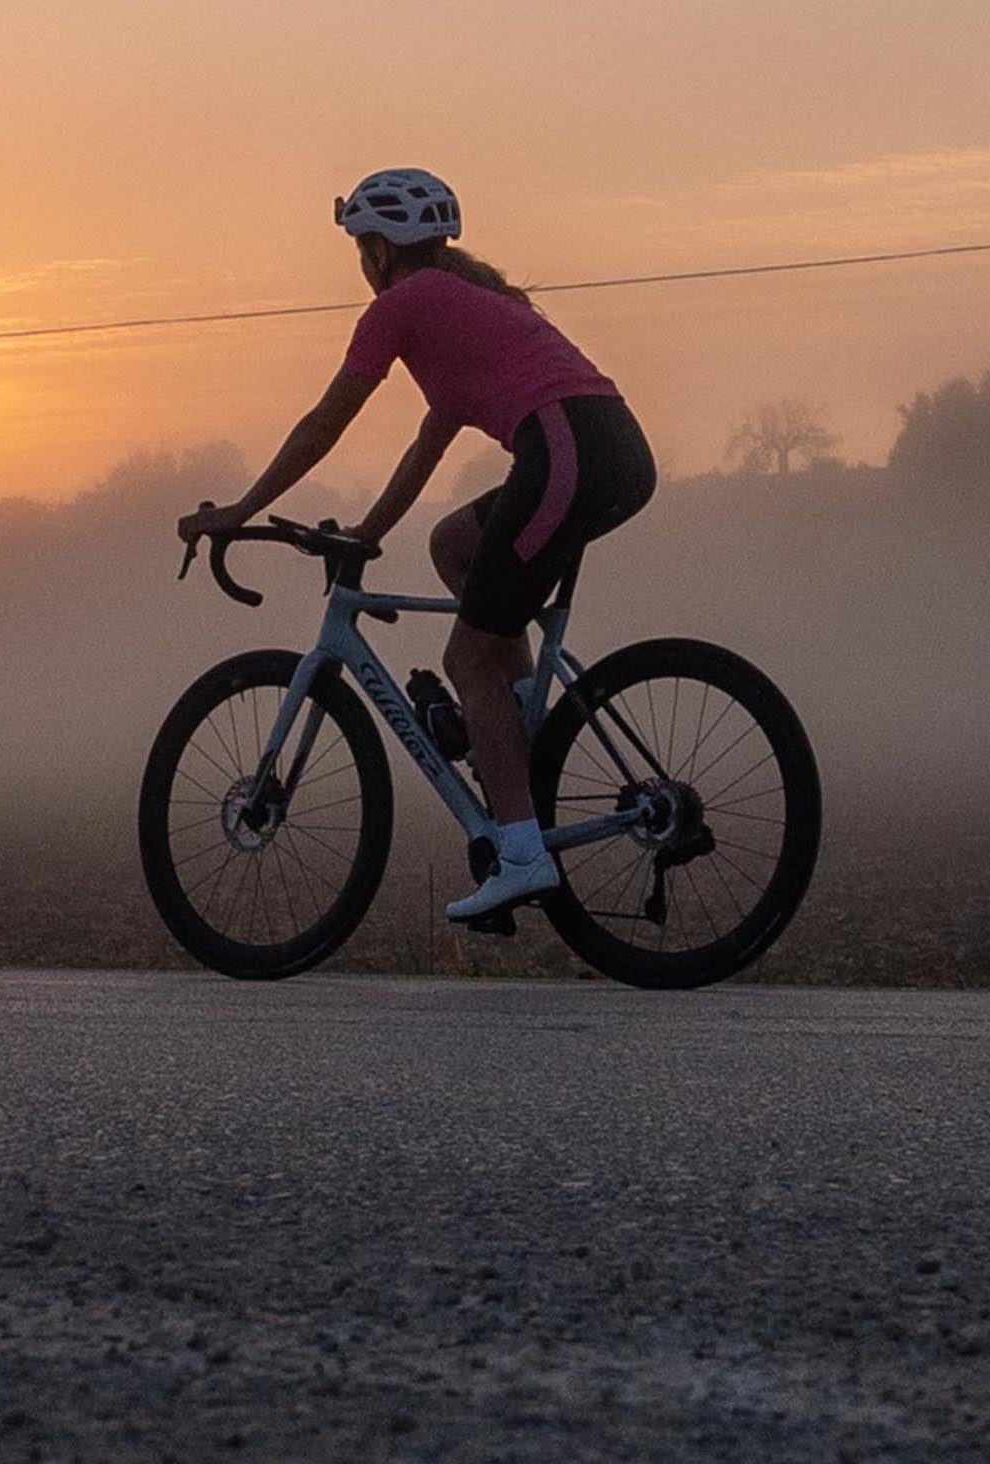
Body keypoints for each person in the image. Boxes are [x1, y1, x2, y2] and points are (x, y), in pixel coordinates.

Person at [178, 168, 656, 924]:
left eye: (360, 249)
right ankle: (518, 722)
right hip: (601, 452)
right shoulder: (459, 309)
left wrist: (241, 508)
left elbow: (323, 423)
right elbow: (426, 446)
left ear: (377, 251)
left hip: (571, 451)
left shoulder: (404, 305)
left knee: (468, 658)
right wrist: (367, 535)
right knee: (454, 544)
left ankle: (524, 857)